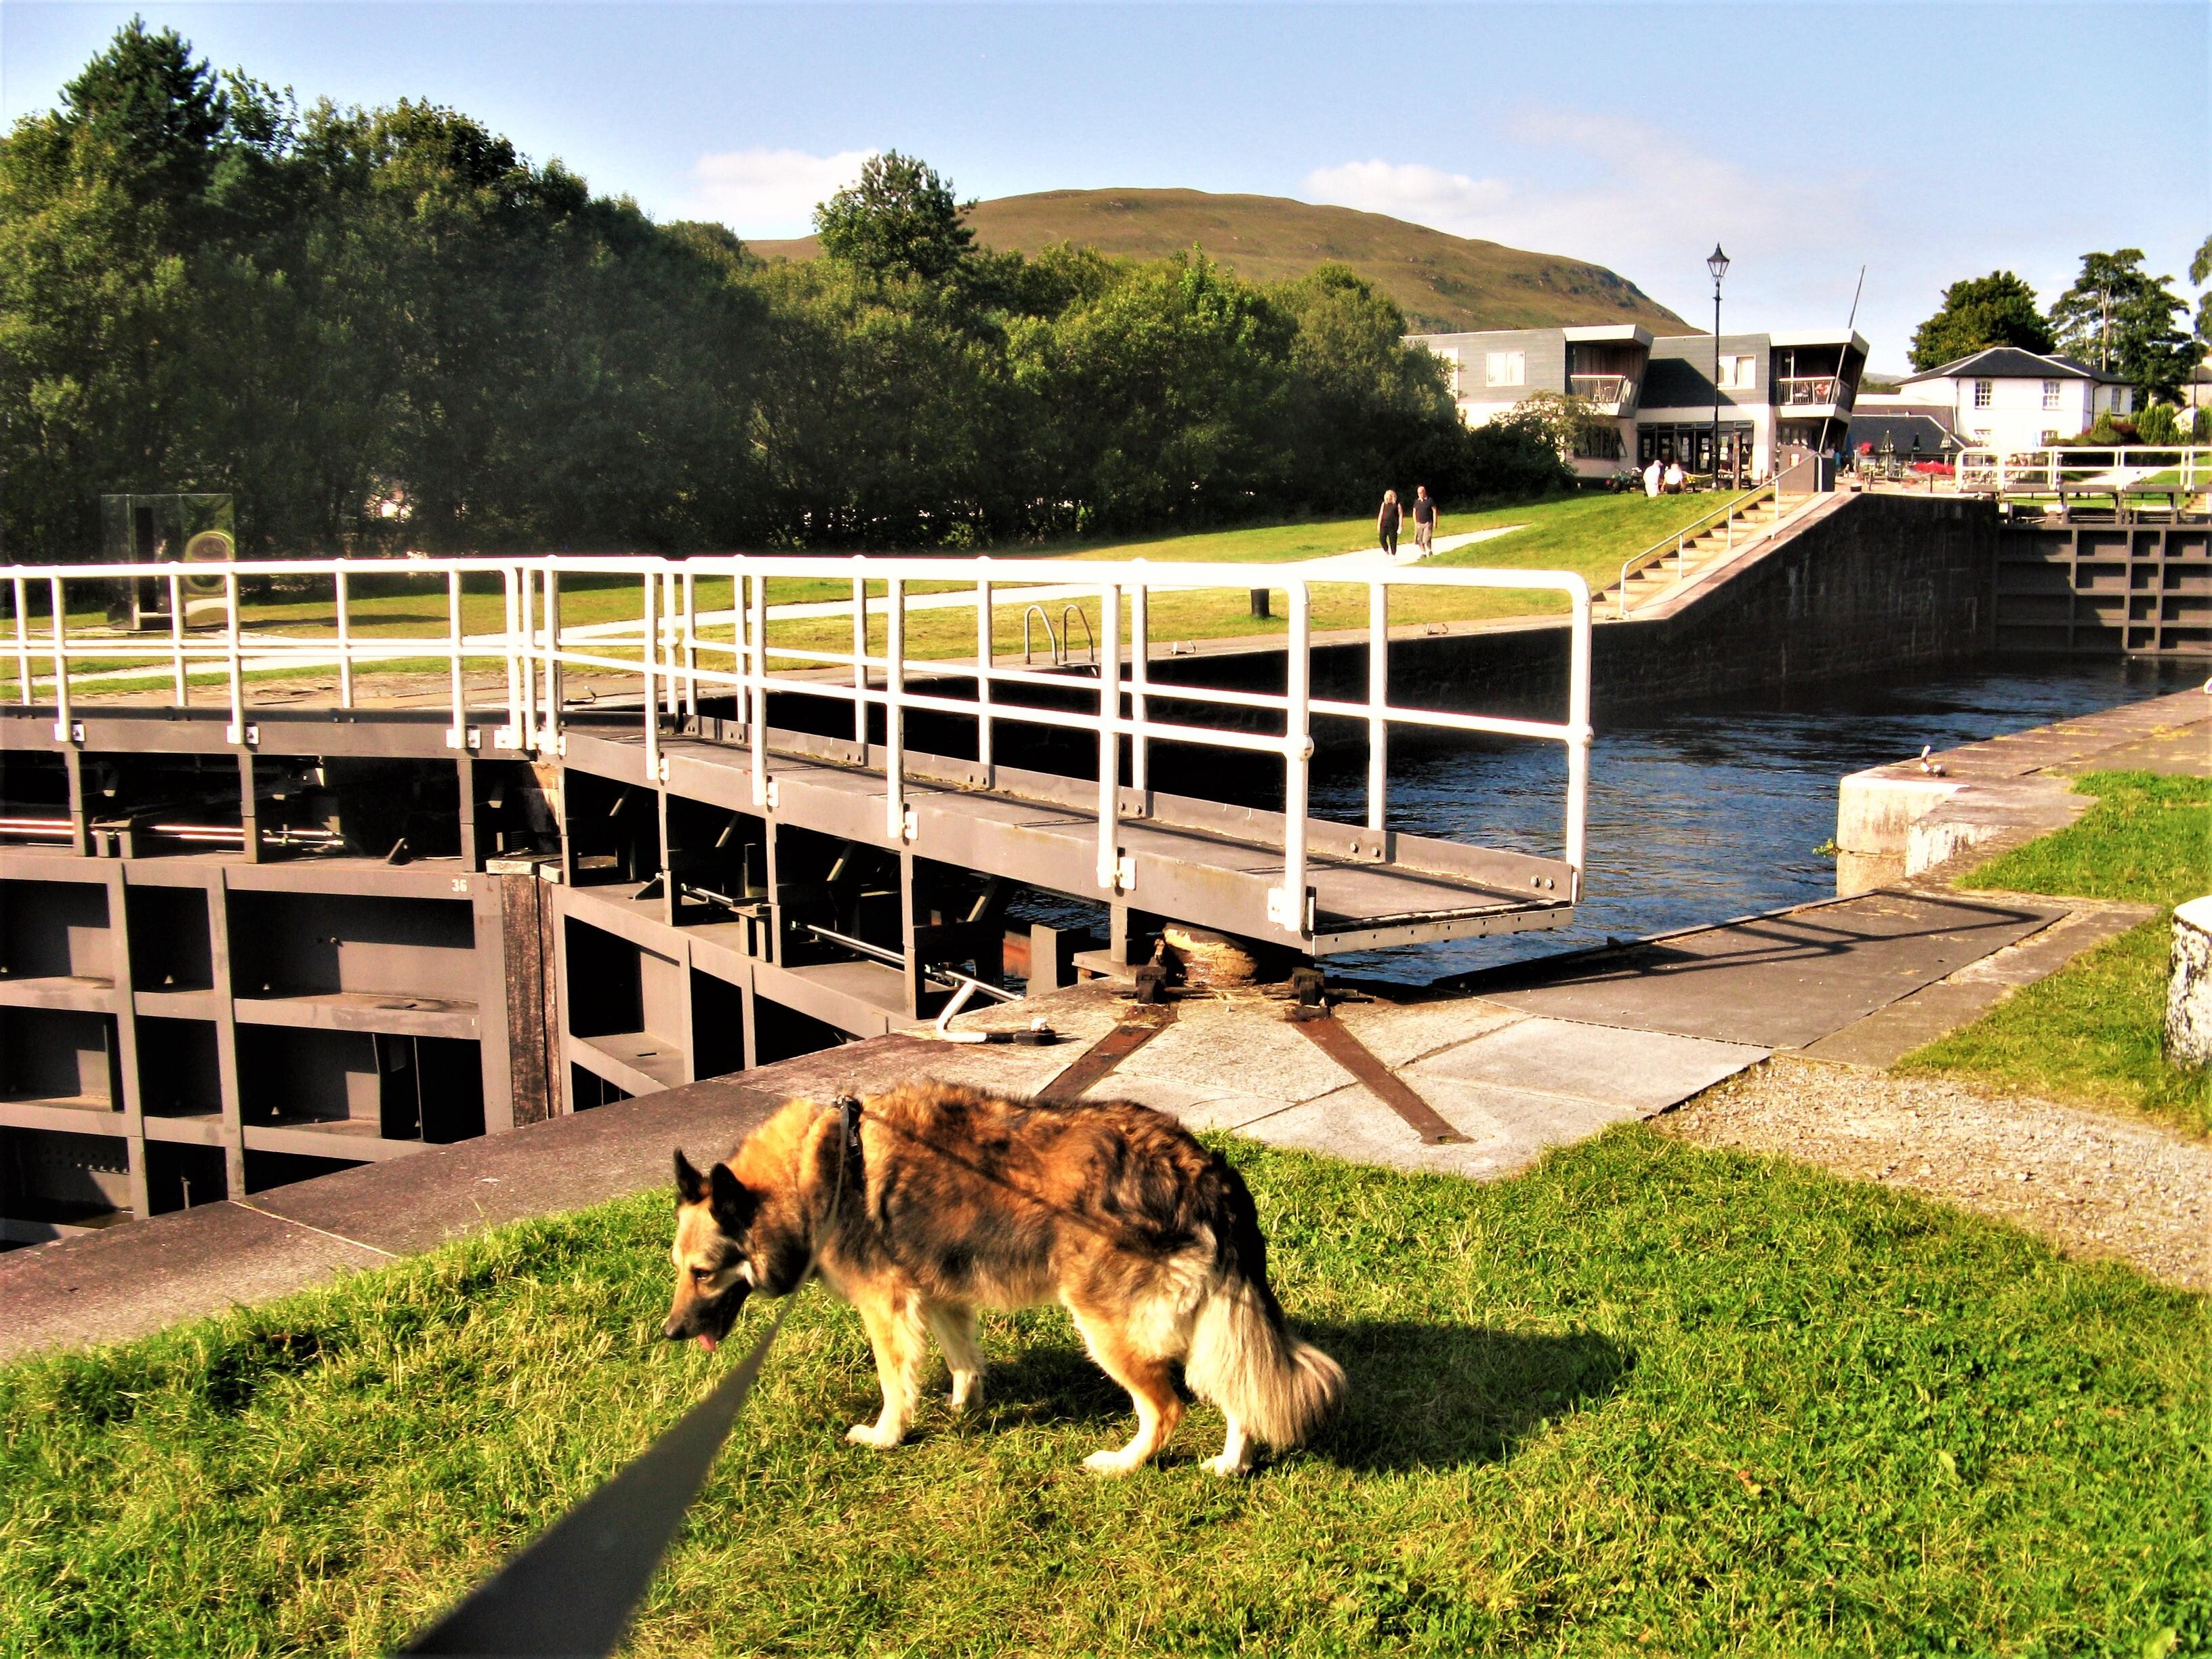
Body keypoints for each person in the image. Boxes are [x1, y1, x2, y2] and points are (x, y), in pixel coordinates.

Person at [1410, 485, 1437, 557]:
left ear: (1424, 492)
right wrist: (1415, 522)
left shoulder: (1430, 500)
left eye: (1421, 493)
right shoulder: (1417, 502)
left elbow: (1434, 511)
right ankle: (1423, 553)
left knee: (1427, 538)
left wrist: (1435, 522)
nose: (1420, 494)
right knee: (1419, 539)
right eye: (1418, 493)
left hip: (1428, 522)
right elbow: (1414, 512)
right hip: (1419, 523)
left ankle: (1430, 551)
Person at [1376, 490, 1401, 558]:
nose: (1388, 499)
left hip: (1393, 525)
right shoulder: (1384, 504)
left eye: (1390, 497)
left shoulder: (1397, 504)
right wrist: (1378, 524)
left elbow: (1401, 514)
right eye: (1387, 498)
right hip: (1384, 524)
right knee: (1382, 539)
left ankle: (1393, 554)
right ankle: (1386, 552)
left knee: (1393, 540)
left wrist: (1400, 526)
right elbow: (1381, 514)